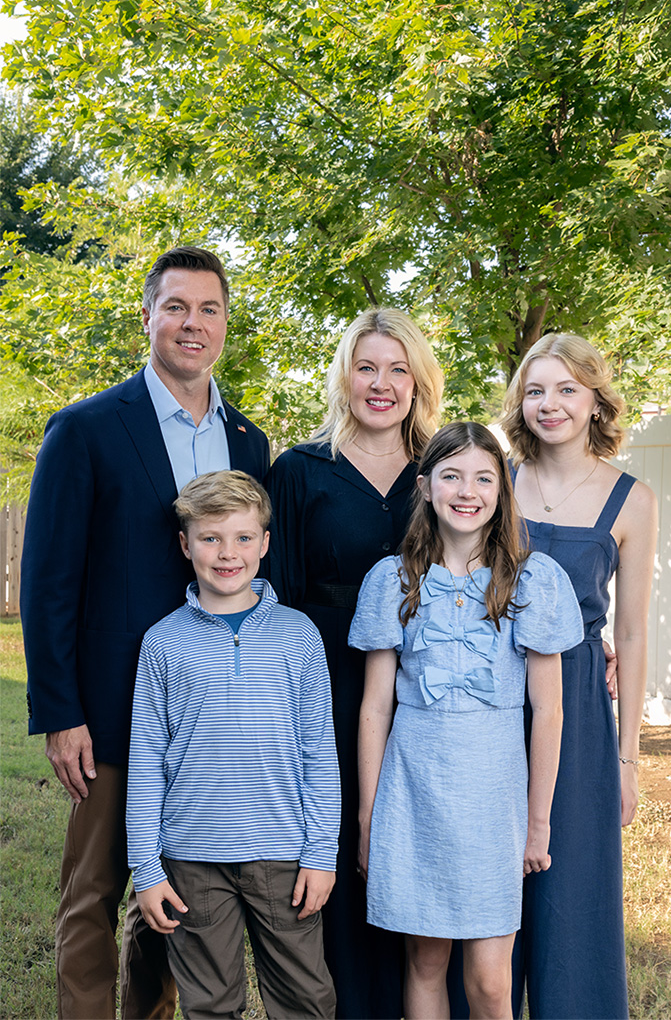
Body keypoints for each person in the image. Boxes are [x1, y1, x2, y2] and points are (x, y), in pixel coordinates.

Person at [20, 246, 270, 1020]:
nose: (192, 324)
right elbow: (47, 584)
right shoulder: (86, 430)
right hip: (112, 716)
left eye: (209, 309)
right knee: (93, 893)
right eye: (176, 307)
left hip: (209, 723)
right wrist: (61, 713)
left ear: (226, 323)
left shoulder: (251, 445)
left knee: (180, 895)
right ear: (148, 316)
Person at [348, 421, 583, 1020]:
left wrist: (537, 822)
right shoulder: (392, 580)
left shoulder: (532, 580)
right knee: (425, 964)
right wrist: (371, 817)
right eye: (451, 476)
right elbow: (375, 707)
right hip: (413, 792)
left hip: (492, 799)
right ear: (425, 486)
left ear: (502, 491)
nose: (467, 490)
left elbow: (549, 711)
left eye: (484, 478)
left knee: (490, 981)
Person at [263, 308, 444, 1018]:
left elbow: (500, 564)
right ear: (344, 376)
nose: (381, 383)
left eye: (398, 369)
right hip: (326, 681)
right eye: (366, 366)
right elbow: (271, 593)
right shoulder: (302, 471)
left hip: (427, 685)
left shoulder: (444, 467)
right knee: (341, 840)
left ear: (418, 380)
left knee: (417, 837)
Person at [126, 470, 340, 1019]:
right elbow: (147, 760)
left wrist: (321, 854)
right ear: (185, 544)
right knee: (211, 1004)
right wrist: (147, 868)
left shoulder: (298, 634)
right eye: (211, 538)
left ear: (265, 544)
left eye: (243, 538)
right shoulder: (163, 641)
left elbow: (319, 751)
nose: (228, 554)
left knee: (306, 1001)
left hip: (284, 854)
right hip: (192, 856)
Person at [501, 333, 658, 1020]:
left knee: (574, 894)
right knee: (491, 887)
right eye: (535, 390)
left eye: (566, 388)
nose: (550, 403)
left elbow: (630, 632)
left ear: (596, 399)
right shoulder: (494, 479)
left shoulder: (633, 500)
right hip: (493, 701)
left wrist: (627, 759)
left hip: (581, 713)